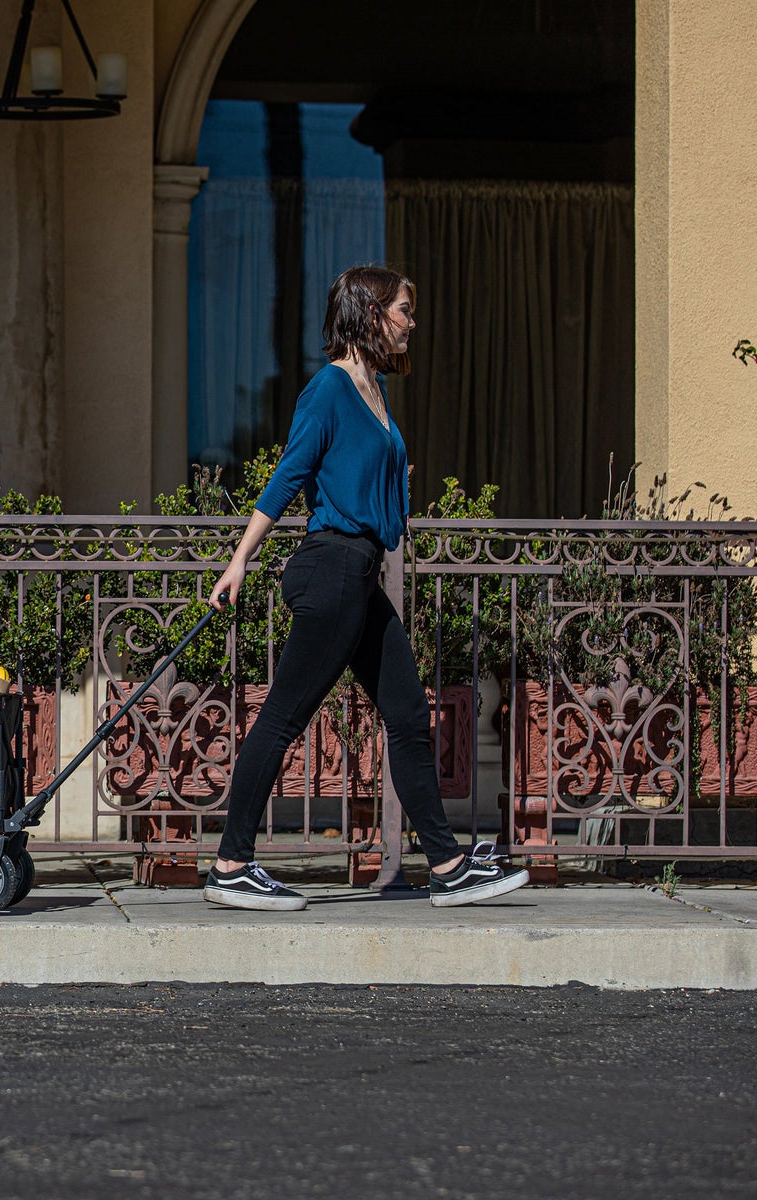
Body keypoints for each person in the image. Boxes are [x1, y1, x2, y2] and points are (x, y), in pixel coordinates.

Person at [203, 265, 527, 911]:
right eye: (404, 309)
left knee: (407, 718)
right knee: (283, 718)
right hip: (331, 570)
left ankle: (448, 866)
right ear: (371, 313)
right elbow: (289, 473)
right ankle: (231, 865)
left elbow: (366, 482)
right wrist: (239, 560)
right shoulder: (329, 387)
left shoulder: (373, 389)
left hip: (358, 573)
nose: (412, 321)